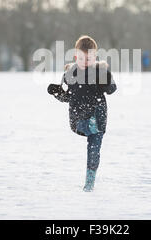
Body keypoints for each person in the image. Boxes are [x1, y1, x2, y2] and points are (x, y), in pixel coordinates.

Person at [47, 35, 117, 192]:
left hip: (98, 118)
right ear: (75, 56)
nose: (86, 61)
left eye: (89, 58)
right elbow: (67, 97)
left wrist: (106, 81)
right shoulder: (70, 74)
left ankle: (89, 183)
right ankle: (89, 123)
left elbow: (112, 89)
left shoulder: (101, 72)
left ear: (95, 57)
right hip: (78, 118)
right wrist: (57, 93)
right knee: (86, 122)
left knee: (94, 151)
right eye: (81, 58)